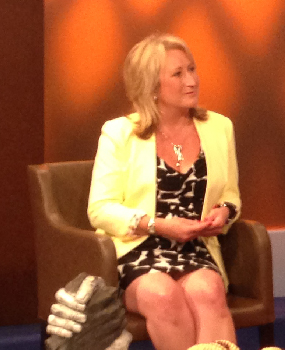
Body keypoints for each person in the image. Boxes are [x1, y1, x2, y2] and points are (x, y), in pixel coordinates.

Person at [86, 33, 242, 350]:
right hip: (136, 251)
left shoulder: (219, 127)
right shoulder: (119, 133)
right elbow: (99, 209)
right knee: (163, 295)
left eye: (192, 69)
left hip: (196, 250)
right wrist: (157, 224)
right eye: (178, 74)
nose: (192, 81)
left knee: (208, 292)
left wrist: (223, 212)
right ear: (152, 86)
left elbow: (232, 196)